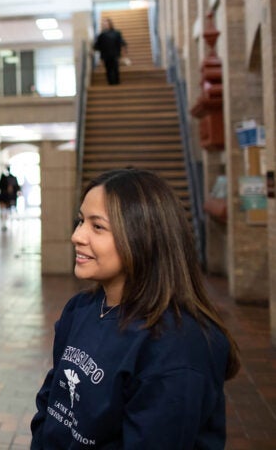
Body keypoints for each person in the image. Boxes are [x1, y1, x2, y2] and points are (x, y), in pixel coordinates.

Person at [30, 169, 240, 448]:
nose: (77, 236)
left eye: (97, 227)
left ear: (143, 236)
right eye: (81, 221)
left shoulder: (177, 345)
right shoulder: (80, 309)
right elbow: (50, 401)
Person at [93, 17, 128, 85]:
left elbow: (121, 42)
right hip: (106, 55)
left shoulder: (116, 33)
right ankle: (110, 83)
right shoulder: (101, 35)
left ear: (110, 24)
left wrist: (124, 52)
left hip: (115, 54)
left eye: (106, 23)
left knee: (115, 68)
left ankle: (116, 82)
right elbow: (97, 46)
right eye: (104, 24)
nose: (105, 25)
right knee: (108, 69)